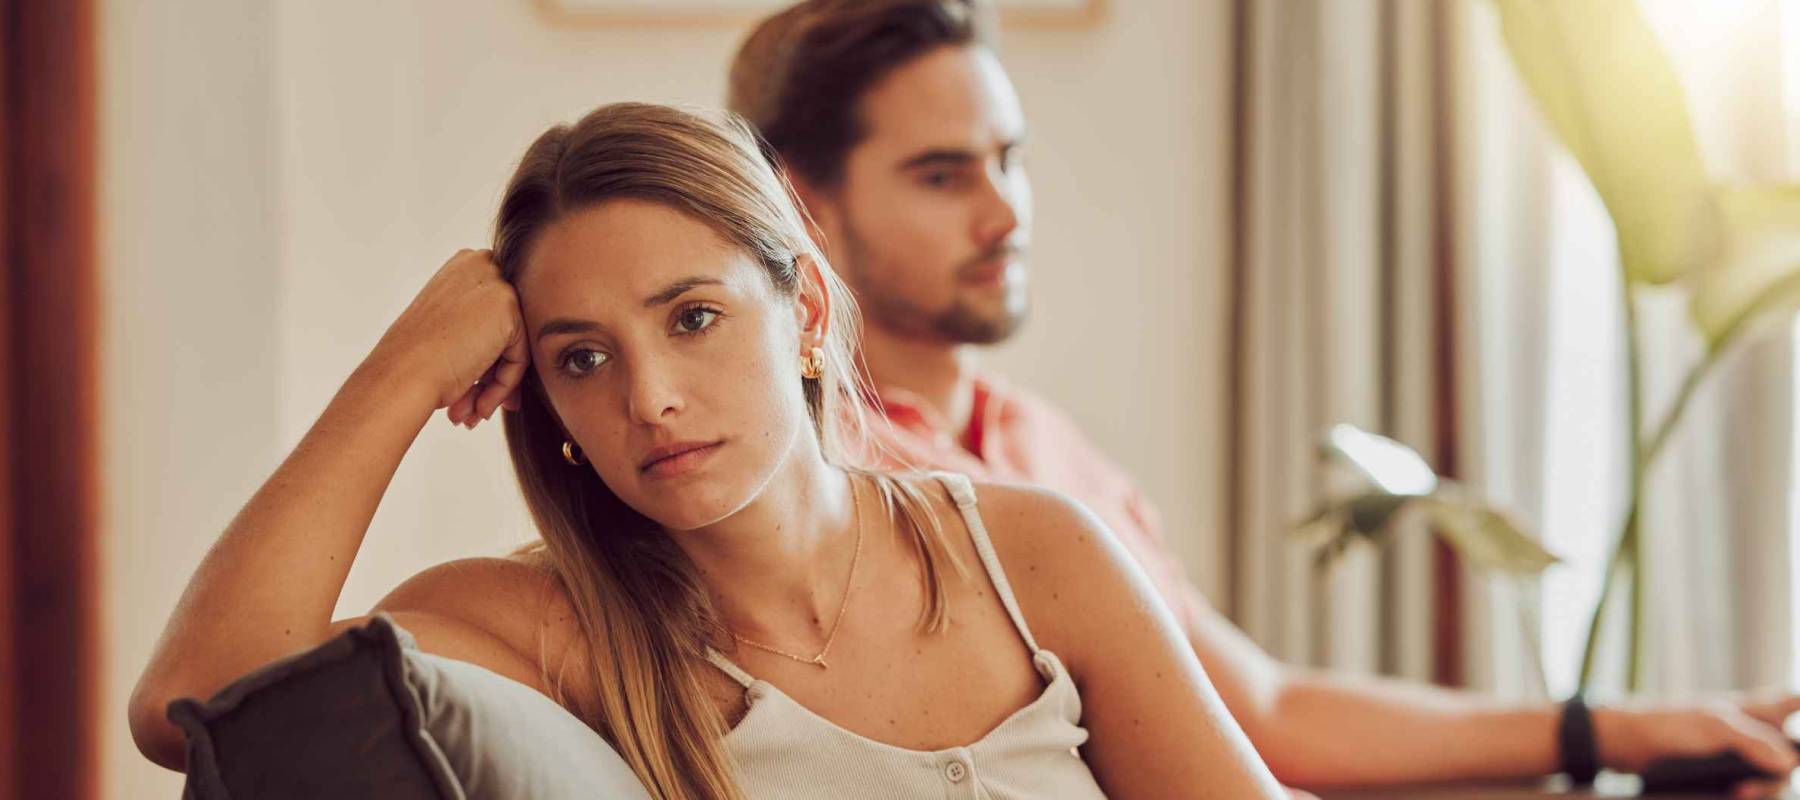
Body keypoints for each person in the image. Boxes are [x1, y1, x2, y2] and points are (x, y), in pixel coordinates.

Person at [728, 0, 1800, 795]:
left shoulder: (1034, 442)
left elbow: (1261, 706)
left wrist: (1604, 728)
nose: (1006, 212)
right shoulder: (817, 489)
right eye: (942, 175)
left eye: (1009, 160)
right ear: (800, 203)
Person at [127, 102, 1287, 799]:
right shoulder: (543, 622)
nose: (652, 396)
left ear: (810, 319)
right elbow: (194, 705)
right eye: (580, 356)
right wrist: (404, 363)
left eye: (693, 317)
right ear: (541, 395)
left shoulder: (1026, 551)